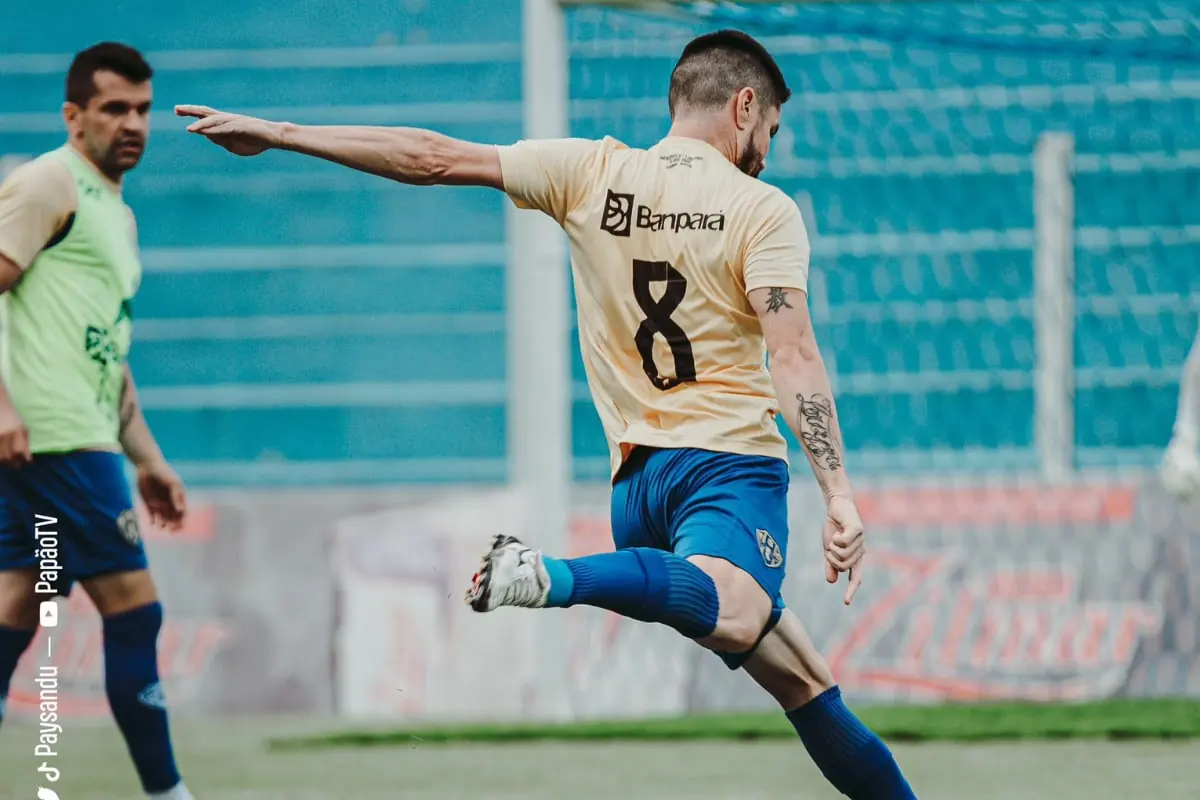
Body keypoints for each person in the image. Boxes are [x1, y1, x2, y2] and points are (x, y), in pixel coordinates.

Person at [177, 28, 916, 798]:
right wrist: (838, 493)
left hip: (636, 492)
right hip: (727, 470)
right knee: (736, 607)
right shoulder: (762, 209)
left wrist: (283, 134)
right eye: (770, 130)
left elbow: (430, 156)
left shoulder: (589, 171)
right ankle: (543, 575)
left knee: (805, 681)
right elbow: (792, 354)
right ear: (744, 106)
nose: (765, 151)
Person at [0, 42, 194, 800]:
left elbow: (106, 354)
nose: (133, 123)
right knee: (135, 611)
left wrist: (149, 459)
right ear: (73, 116)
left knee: (15, 605)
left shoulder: (118, 214)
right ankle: (168, 793)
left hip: (69, 435)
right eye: (115, 108)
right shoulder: (50, 183)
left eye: (143, 109)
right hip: (57, 439)